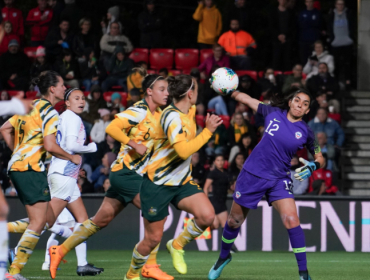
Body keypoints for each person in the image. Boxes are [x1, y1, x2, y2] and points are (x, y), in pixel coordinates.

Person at [48, 71, 174, 280]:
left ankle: (59, 251)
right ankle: (147, 266)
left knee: (99, 220)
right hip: (127, 173)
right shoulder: (139, 111)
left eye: (168, 90)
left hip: (124, 174)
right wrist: (134, 144)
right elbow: (112, 127)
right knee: (156, 212)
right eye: (162, 89)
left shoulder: (159, 115)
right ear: (149, 92)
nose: (167, 93)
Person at [208, 88, 325, 280]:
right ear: (290, 102)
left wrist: (314, 165)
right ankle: (223, 257)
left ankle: (303, 274)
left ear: (307, 111)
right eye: (297, 100)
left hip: (279, 178)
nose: (300, 105)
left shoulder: (306, 132)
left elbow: (321, 157)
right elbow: (247, 99)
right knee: (233, 221)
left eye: (305, 104)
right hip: (252, 174)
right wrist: (232, 90)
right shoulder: (272, 113)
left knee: (292, 220)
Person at [122, 75, 222, 280]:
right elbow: (184, 152)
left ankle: (177, 245)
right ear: (190, 94)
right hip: (158, 183)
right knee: (152, 239)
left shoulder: (190, 109)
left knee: (207, 216)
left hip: (182, 182)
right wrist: (208, 132)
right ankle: (131, 275)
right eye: (196, 89)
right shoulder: (171, 117)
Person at [0, 71, 81, 280]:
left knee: (48, 219)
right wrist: (71, 158)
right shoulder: (51, 113)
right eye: (62, 85)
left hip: (20, 167)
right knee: (38, 223)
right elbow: (50, 145)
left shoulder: (31, 107)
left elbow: (5, 128)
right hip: (30, 168)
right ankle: (13, 272)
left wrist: (17, 152)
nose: (65, 88)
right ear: (52, 89)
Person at [327, 0, 355, 87]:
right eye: (339, 4)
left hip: (347, 42)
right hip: (336, 43)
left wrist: (351, 38)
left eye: (342, 4)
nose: (340, 6)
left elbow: (352, 26)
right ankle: (336, 82)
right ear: (335, 5)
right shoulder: (331, 14)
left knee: (348, 63)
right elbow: (329, 27)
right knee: (336, 63)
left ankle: (348, 81)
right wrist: (331, 39)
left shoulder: (348, 14)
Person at [204, 155, 230, 230]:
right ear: (215, 162)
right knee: (225, 225)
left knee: (215, 225)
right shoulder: (213, 173)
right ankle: (226, 242)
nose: (220, 162)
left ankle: (201, 227)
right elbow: (206, 187)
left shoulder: (226, 173)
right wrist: (206, 202)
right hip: (217, 201)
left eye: (221, 160)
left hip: (222, 200)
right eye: (218, 160)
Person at [270, 0, 296, 71]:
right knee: (276, 60)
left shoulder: (290, 12)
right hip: (276, 40)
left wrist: (285, 36)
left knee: (287, 60)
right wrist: (278, 35)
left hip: (288, 40)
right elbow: (271, 26)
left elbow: (293, 26)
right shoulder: (273, 12)